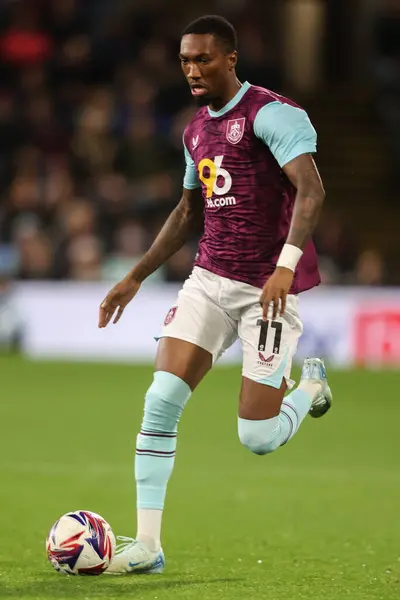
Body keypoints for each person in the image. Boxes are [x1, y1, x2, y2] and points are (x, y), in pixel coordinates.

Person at [99, 15, 332, 575]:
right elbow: (187, 212)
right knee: (159, 402)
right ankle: (148, 546)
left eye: (203, 59)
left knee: (256, 436)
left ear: (230, 59)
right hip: (208, 281)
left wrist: (286, 265)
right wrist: (136, 275)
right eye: (184, 60)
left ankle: (312, 386)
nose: (192, 70)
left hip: (266, 293)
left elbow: (312, 189)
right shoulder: (195, 130)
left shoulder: (273, 115)